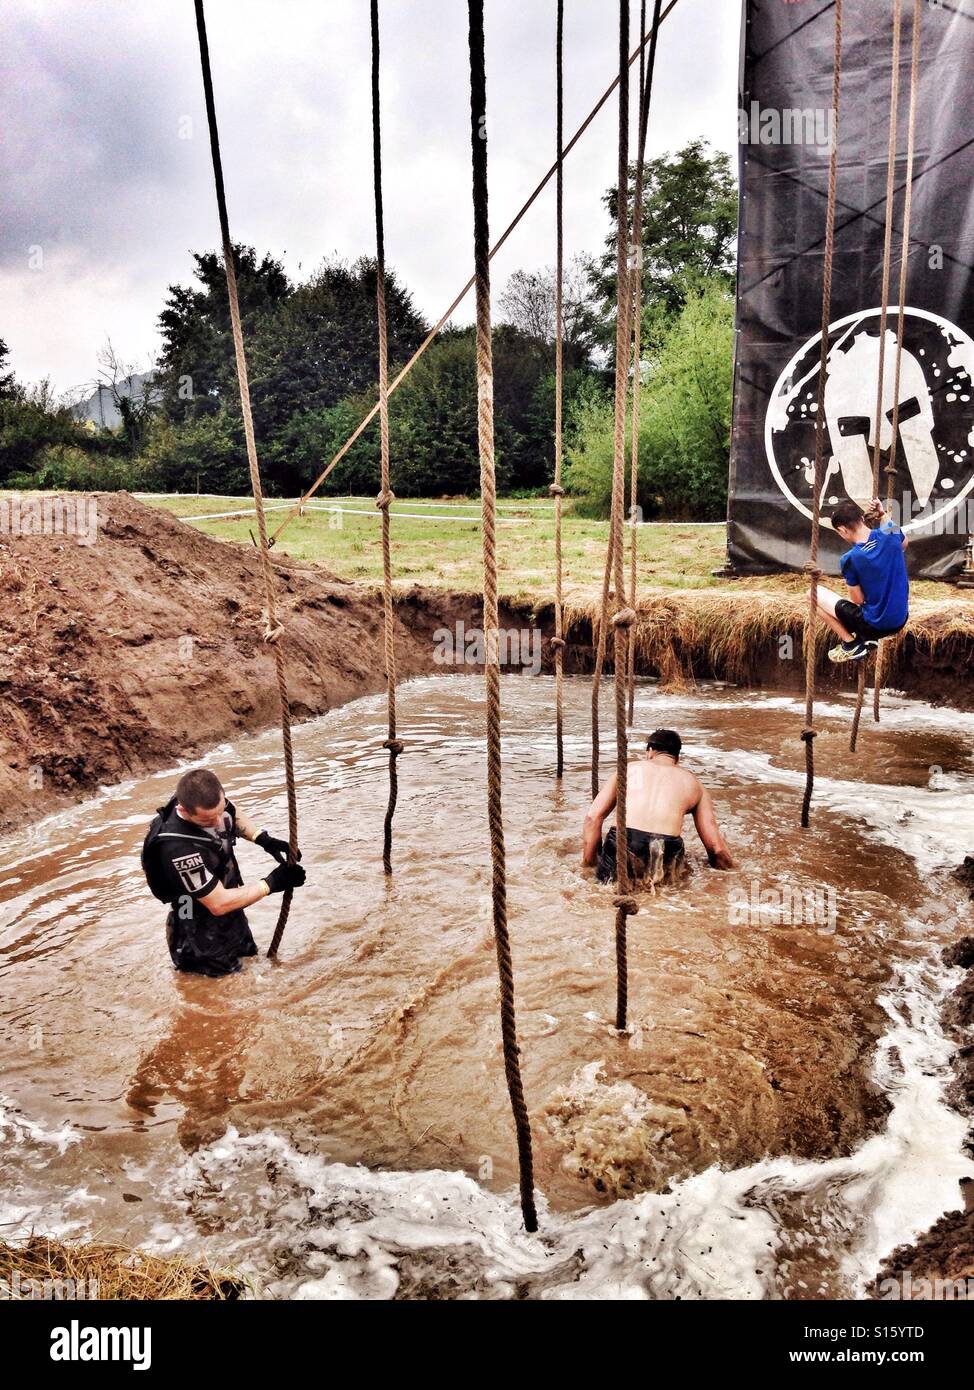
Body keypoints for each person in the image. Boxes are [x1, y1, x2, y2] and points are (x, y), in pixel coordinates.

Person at [141, 767, 305, 977]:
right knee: (217, 993)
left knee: (247, 967)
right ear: (184, 810)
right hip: (196, 927)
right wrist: (271, 883)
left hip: (230, 912)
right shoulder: (177, 849)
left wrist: (261, 838)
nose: (218, 822)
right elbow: (219, 904)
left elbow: (230, 810)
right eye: (208, 821)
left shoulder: (206, 802)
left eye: (219, 811)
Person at [582, 728, 734, 885]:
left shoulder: (629, 770)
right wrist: (735, 871)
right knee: (662, 896)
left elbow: (592, 818)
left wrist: (590, 866)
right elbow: (717, 850)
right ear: (677, 757)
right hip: (666, 849)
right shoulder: (694, 783)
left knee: (605, 890)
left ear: (650, 751)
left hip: (623, 842)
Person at [815, 498, 909, 663]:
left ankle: (851, 644)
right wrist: (882, 513)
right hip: (900, 620)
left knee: (811, 594)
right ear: (862, 519)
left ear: (843, 530)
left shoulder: (850, 559)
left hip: (875, 625)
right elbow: (905, 543)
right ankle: (865, 638)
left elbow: (858, 600)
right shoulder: (889, 532)